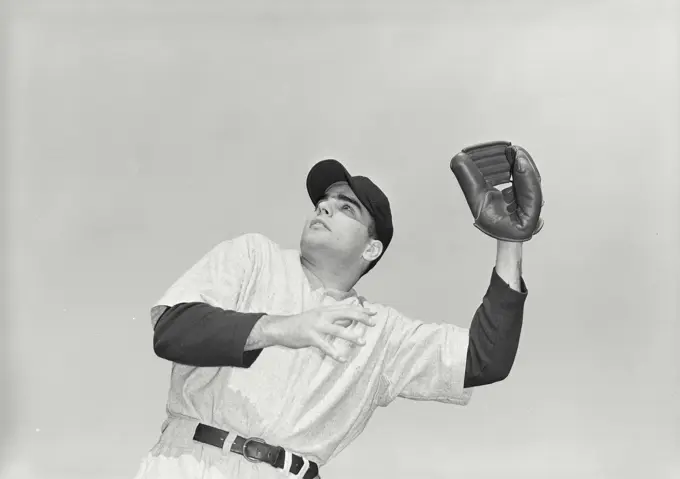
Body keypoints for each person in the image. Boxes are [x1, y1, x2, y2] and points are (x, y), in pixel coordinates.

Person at [132, 142, 544, 479]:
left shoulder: (378, 331)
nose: (324, 207)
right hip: (191, 462)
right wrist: (278, 328)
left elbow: (483, 360)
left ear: (371, 248)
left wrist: (509, 244)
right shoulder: (253, 257)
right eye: (324, 201)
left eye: (347, 207)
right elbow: (172, 329)